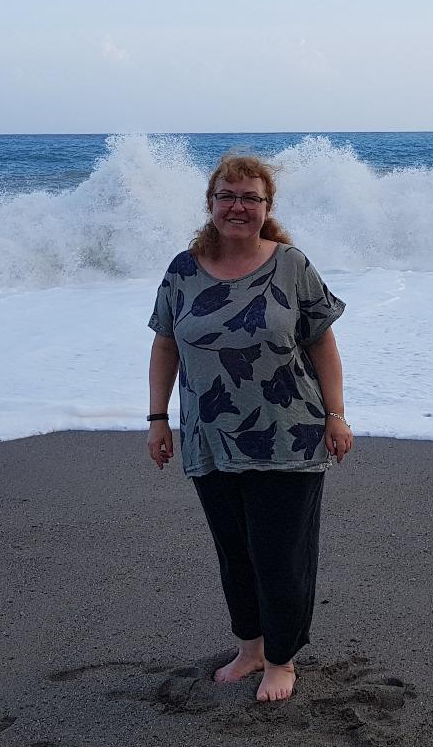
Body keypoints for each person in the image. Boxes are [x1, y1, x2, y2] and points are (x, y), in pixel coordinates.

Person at [146, 151, 353, 703]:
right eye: (227, 196)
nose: (237, 207)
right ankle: (251, 647)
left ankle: (281, 659)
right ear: (211, 203)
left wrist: (336, 415)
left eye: (250, 198)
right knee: (234, 552)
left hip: (289, 434)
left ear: (266, 206)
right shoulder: (183, 270)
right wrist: (157, 419)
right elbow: (165, 344)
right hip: (210, 436)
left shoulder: (291, 265)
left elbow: (322, 342)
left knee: (280, 555)